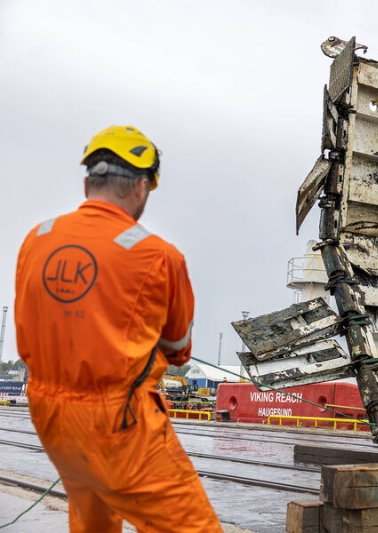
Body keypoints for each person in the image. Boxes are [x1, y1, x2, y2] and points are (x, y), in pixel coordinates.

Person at [14, 125, 224, 532]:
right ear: (142, 186)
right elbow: (179, 348)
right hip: (120, 422)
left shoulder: (35, 239)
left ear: (88, 180)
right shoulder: (158, 256)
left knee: (92, 522)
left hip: (51, 416)